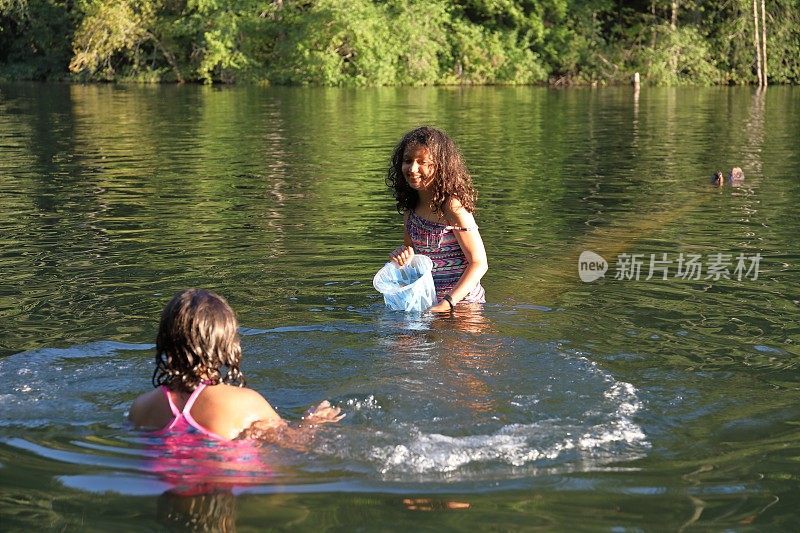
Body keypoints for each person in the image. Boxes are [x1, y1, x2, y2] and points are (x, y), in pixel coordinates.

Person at [129, 288, 342, 442]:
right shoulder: (245, 403)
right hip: (231, 484)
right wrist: (315, 422)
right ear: (226, 344)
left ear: (166, 340)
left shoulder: (140, 408)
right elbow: (295, 444)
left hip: (166, 487)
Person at [386, 126, 488, 312]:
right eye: (407, 161)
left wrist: (448, 302)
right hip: (427, 301)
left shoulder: (452, 206)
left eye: (422, 162)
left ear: (440, 166)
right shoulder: (410, 210)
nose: (412, 168)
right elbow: (414, 258)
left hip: (464, 302)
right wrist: (403, 255)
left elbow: (479, 262)